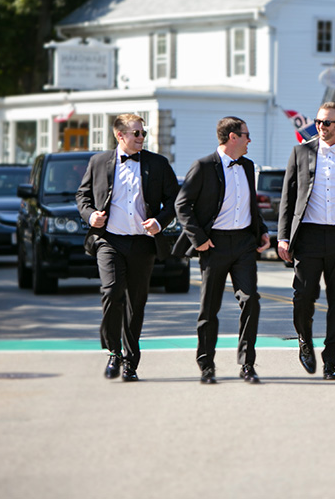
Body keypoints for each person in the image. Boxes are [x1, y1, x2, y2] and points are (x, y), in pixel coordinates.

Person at [76, 113, 179, 382]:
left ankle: (131, 362)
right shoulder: (99, 162)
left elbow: (174, 199)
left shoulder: (157, 164)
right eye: (136, 133)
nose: (141, 138)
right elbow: (82, 195)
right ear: (119, 135)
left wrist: (160, 221)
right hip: (110, 240)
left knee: (136, 303)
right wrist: (90, 216)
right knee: (111, 293)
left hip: (143, 243)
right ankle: (113, 351)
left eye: (143, 133)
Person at [277, 102, 335, 380]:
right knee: (304, 295)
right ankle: (304, 339)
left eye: (327, 123)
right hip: (308, 234)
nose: (321, 127)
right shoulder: (301, 152)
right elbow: (288, 198)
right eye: (319, 122)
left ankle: (331, 359)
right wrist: (283, 237)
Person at [173, 116, 270, 384]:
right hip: (213, 245)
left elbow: (248, 204)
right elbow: (182, 205)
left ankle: (247, 364)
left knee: (251, 300)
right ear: (232, 137)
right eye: (246, 135)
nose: (250, 140)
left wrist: (261, 231)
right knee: (209, 308)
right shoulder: (203, 166)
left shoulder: (248, 166)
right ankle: (206, 364)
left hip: (244, 246)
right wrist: (199, 238)